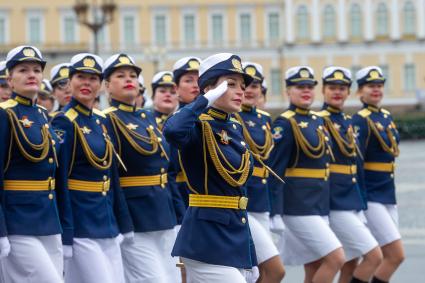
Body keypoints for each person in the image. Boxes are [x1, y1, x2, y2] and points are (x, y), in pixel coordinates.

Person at [163, 53, 256, 282]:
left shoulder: (233, 127)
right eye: (230, 85)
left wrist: (249, 250)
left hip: (234, 231)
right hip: (206, 237)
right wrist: (204, 101)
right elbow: (172, 130)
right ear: (210, 88)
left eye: (242, 86)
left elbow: (238, 192)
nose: (240, 91)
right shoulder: (197, 125)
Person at [51, 53, 133, 283]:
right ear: (69, 82)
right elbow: (61, 180)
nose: (87, 83)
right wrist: (67, 231)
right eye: (80, 77)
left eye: (93, 78)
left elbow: (112, 175)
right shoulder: (63, 121)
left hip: (106, 220)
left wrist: (122, 221)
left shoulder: (100, 120)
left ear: (101, 85)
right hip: (81, 222)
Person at [102, 53, 180, 283]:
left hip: (162, 215)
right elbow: (111, 176)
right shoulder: (107, 120)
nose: (129, 79)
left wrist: (176, 215)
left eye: (133, 75)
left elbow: (165, 170)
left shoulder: (148, 117)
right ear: (107, 86)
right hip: (135, 219)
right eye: (120, 75)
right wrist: (122, 222)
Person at [268, 66, 345, 283]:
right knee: (336, 258)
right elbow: (275, 170)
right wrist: (275, 211)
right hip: (298, 206)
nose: (306, 91)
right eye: (299, 87)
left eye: (309, 87)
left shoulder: (317, 120)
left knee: (315, 263)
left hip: (318, 203)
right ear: (288, 91)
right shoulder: (285, 122)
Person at [0, 45, 69, 282]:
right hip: (17, 221)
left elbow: (56, 177)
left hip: (49, 221)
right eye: (23, 70)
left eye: (37, 70)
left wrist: (65, 228)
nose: (31, 75)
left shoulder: (42, 115)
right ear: (10, 79)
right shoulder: (4, 115)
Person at [318, 66, 383, 283]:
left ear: (348, 92)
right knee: (374, 256)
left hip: (351, 199)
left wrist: (361, 202)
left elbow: (356, 165)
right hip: (333, 202)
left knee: (350, 262)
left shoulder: (347, 121)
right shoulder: (319, 121)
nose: (337, 92)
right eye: (332, 88)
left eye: (342, 88)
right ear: (324, 91)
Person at [352, 66, 405, 283]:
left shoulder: (385, 116)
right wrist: (360, 201)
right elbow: (357, 163)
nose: (376, 90)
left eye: (379, 86)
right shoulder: (360, 120)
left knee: (382, 256)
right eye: (370, 86)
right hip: (371, 196)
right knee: (395, 255)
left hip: (387, 194)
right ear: (360, 91)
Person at [233, 61, 285, 283]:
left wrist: (275, 209)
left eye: (256, 85)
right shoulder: (231, 117)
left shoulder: (264, 119)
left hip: (262, 201)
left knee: (260, 271)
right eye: (247, 85)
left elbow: (271, 167)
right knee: (261, 269)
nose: (251, 90)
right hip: (243, 201)